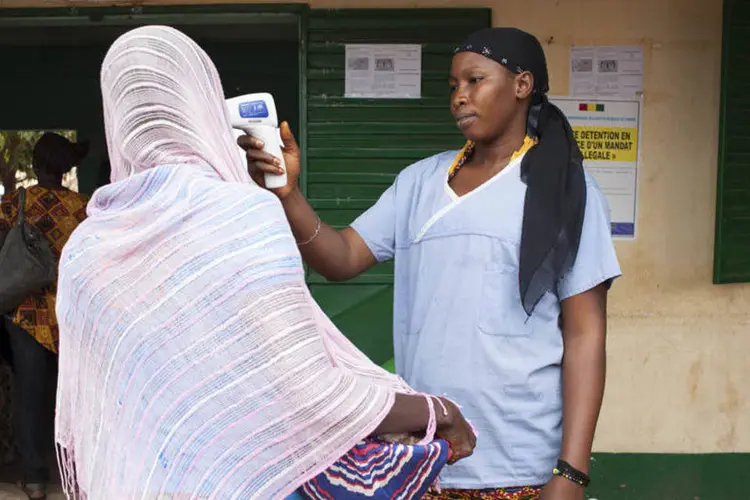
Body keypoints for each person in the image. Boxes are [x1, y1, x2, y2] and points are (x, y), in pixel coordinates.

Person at [53, 25, 475, 500]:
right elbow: (314, 395)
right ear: (203, 101)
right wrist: (440, 412)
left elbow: (94, 422)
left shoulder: (84, 249)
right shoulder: (244, 216)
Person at [241, 27, 621, 500]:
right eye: (453, 85)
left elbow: (586, 335)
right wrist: (287, 192)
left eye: (474, 80)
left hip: (520, 462)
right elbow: (340, 258)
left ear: (522, 85)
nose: (459, 97)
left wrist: (572, 471)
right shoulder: (418, 182)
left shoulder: (565, 192)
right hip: (422, 455)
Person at [0, 132, 89, 499]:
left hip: (26, 314)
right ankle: (73, 473)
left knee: (29, 393)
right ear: (66, 168)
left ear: (36, 164)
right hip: (68, 315)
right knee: (70, 397)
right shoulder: (84, 209)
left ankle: (35, 478)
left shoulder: (14, 202)